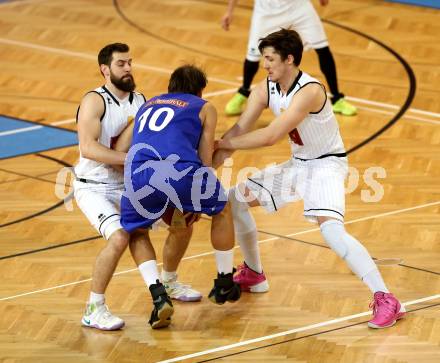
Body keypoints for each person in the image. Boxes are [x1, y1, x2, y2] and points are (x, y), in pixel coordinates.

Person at [214, 29, 405, 329]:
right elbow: (239, 130)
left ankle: (387, 298)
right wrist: (212, 158)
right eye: (264, 59)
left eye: (270, 59)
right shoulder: (265, 88)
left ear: (289, 59)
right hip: (298, 165)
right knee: (234, 200)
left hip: (326, 167)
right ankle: (254, 272)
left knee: (331, 232)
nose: (265, 65)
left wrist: (224, 146)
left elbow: (270, 136)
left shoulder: (311, 90)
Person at [74, 43, 201, 331]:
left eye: (130, 62)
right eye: (121, 64)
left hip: (129, 183)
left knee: (142, 231)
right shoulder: (94, 101)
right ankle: (94, 308)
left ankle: (161, 292)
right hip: (92, 185)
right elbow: (88, 148)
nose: (128, 68)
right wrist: (131, 158)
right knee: (119, 236)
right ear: (105, 70)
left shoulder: (142, 101)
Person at [117, 64, 241, 328]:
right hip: (180, 172)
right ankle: (223, 281)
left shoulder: (147, 104)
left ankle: (159, 291)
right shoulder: (204, 106)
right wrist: (196, 192)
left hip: (138, 174)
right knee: (222, 209)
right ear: (199, 90)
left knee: (138, 233)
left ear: (171, 86)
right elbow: (206, 159)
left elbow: (121, 148)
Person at [221, 0, 357, 117]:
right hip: (266, 10)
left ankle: (337, 99)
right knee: (253, 56)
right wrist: (229, 11)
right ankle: (244, 92)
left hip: (298, 7)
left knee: (323, 49)